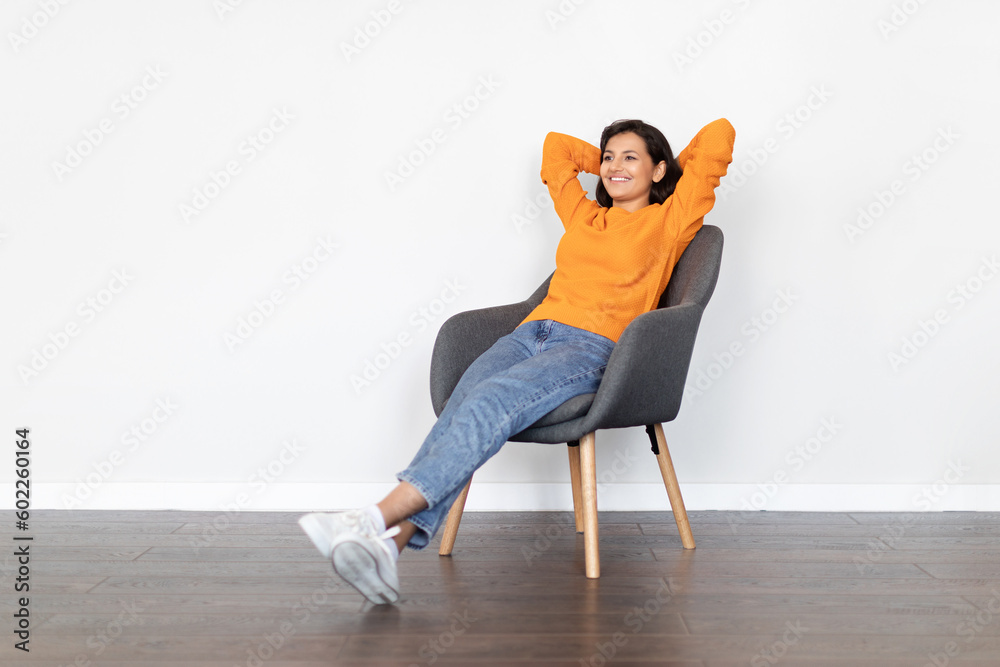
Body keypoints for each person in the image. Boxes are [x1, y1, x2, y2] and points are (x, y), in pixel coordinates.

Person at [299, 117, 736, 605]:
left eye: (629, 157)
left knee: (491, 400)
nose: (613, 166)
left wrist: (661, 168)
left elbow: (720, 135)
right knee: (465, 400)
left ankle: (373, 518)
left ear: (659, 170)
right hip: (531, 333)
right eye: (608, 156)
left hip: (592, 348)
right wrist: (613, 165)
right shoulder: (584, 216)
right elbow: (555, 151)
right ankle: (392, 546)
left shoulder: (671, 220)